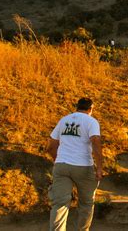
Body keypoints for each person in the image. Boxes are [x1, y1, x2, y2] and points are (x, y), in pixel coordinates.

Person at [47, 97, 103, 231]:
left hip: (61, 165)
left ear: (77, 107)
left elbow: (50, 146)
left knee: (59, 204)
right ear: (91, 109)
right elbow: (95, 142)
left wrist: (57, 159)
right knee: (86, 203)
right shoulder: (91, 121)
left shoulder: (64, 120)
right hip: (83, 166)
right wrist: (99, 167)